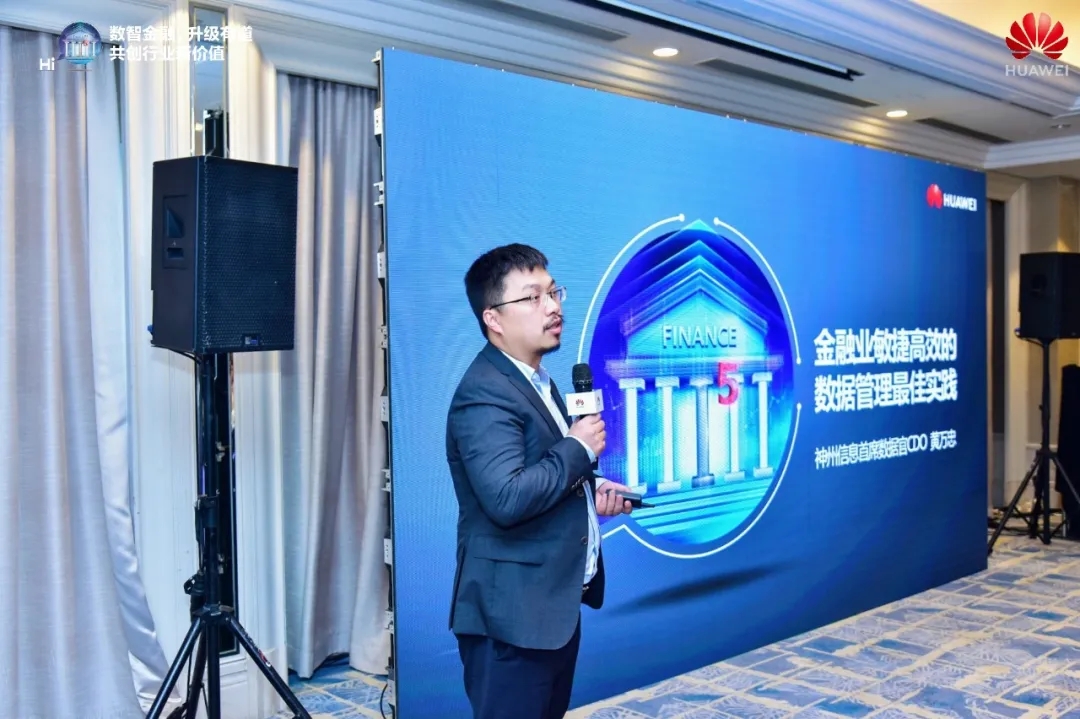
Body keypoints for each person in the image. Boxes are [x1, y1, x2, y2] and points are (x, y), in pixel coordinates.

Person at [445, 243, 635, 719]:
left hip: (549, 612)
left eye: (553, 292)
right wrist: (578, 448)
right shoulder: (484, 394)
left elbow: (541, 472)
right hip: (510, 623)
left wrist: (591, 492)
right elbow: (507, 497)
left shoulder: (536, 380)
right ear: (493, 318)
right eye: (532, 297)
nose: (552, 307)